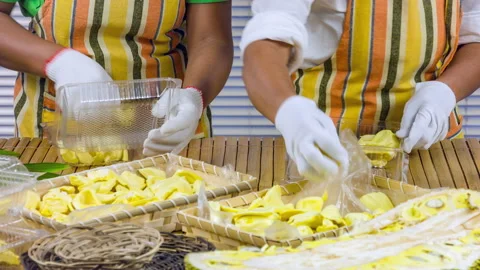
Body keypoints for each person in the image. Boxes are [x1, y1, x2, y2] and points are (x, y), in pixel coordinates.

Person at [240, 0, 480, 180]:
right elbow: (265, 46)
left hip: (429, 147)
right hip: (324, 150)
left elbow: (475, 35)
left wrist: (445, 92)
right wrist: (289, 112)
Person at [0, 0, 233, 156]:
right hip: (58, 127)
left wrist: (193, 95)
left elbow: (211, 39)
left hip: (166, 124)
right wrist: (61, 63)